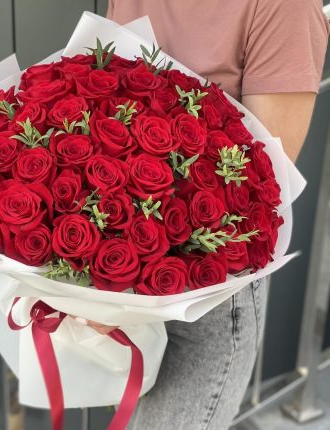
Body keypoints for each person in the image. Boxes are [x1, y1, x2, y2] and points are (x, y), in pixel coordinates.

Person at [80, 1, 329, 429]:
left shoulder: (284, 8)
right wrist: (94, 280)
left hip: (210, 286)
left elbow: (262, 183)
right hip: (115, 264)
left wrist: (122, 290)